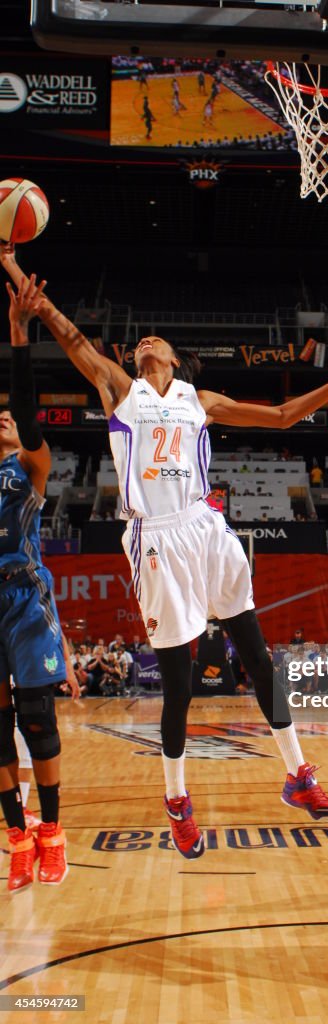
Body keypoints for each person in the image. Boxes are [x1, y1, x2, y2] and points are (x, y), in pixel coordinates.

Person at [2, 246, 328, 861]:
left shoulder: (198, 400)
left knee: (260, 661)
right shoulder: (120, 390)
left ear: (176, 359)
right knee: (179, 685)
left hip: (206, 529)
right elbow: (65, 327)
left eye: (151, 342)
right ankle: (178, 801)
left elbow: (287, 416)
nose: (140, 346)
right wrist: (15, 270)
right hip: (155, 536)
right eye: (134, 345)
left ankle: (298, 775)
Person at [0, 270, 78, 892]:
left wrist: (18, 336)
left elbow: (26, 413)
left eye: (8, 416)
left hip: (23, 598)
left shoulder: (29, 467)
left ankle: (52, 834)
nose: (4, 420)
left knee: (38, 722)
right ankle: (17, 836)